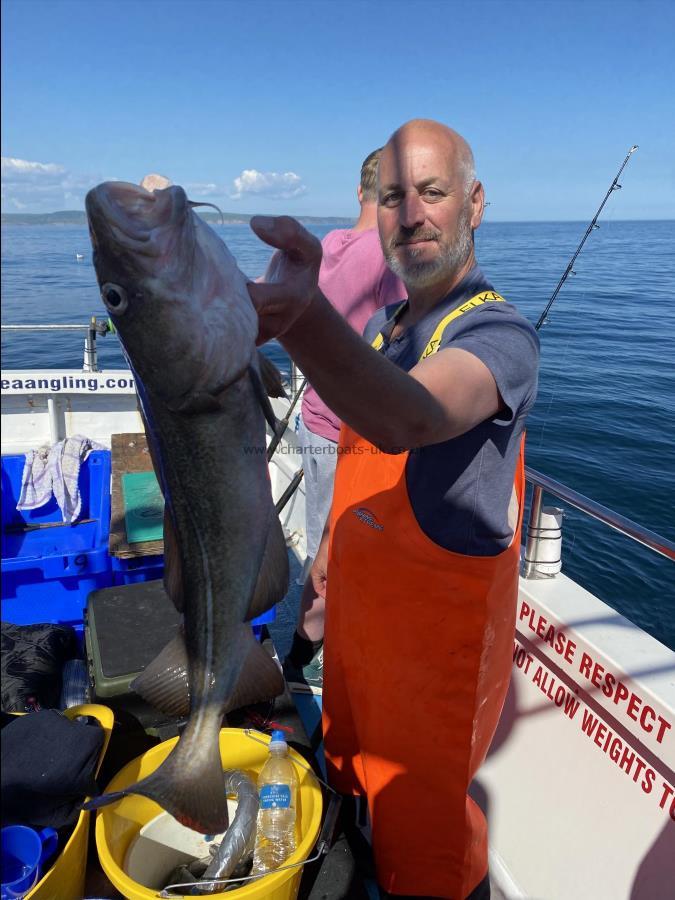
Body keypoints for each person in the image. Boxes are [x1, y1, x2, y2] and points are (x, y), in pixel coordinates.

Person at [248, 119, 540, 899]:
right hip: (356, 625)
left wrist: (298, 314)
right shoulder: (385, 327)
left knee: (425, 850)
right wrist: (330, 561)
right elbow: (365, 471)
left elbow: (408, 417)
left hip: (429, 663)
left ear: (474, 203)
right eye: (391, 196)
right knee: (349, 791)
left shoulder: (497, 334)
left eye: (432, 192)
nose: (409, 213)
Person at [283, 148, 405, 694]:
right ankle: (309, 657)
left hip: (315, 416)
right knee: (345, 550)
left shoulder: (331, 245)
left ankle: (305, 649)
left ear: (359, 193)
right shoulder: (391, 260)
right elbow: (406, 352)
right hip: (355, 434)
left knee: (321, 540)